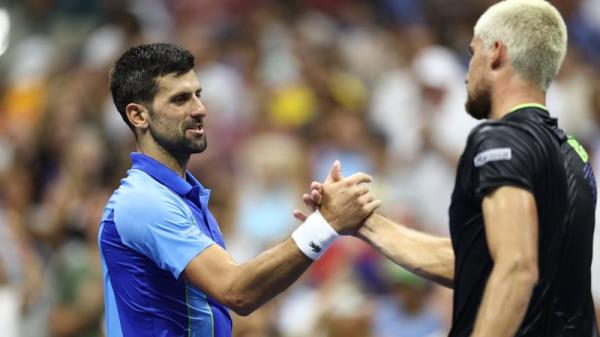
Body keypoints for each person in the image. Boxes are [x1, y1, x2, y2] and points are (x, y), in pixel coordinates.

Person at [297, 0, 599, 336]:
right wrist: (361, 223)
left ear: (496, 52)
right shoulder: (573, 152)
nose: (466, 73)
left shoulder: (500, 138)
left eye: (472, 54)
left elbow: (515, 267)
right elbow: (480, 262)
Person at [98, 43, 381, 337]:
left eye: (198, 94)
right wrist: (324, 226)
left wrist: (317, 223)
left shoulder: (179, 197)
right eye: (180, 99)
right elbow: (236, 291)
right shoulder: (143, 202)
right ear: (138, 116)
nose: (200, 109)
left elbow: (217, 305)